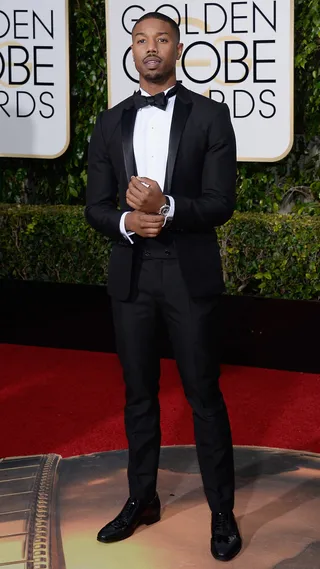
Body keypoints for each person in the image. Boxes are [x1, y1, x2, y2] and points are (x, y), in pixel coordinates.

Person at [85, 12, 241, 562]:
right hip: (132, 274)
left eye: (162, 39)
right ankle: (142, 499)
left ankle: (222, 511)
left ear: (177, 48)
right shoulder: (109, 122)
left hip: (188, 274)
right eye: (140, 40)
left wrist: (167, 208)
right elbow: (96, 207)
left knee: (203, 394)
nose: (150, 48)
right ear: (132, 50)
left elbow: (222, 202)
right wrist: (129, 223)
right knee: (138, 395)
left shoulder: (211, 117)